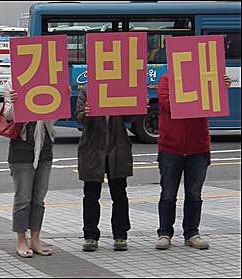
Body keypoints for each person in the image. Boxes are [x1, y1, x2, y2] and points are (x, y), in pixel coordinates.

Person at [155, 74, 232, 250]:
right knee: (168, 194)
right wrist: (199, 89)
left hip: (198, 148)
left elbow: (214, 105)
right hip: (171, 147)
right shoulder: (166, 80)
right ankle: (164, 233)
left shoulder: (207, 78)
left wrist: (219, 88)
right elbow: (170, 104)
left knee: (194, 194)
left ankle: (192, 233)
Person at [76, 85, 136, 252]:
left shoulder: (119, 88)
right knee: (90, 195)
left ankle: (120, 236)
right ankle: (90, 236)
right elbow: (79, 117)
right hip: (92, 150)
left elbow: (130, 118)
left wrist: (139, 106)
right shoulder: (87, 90)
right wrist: (86, 114)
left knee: (119, 195)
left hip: (117, 149)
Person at [4, 85, 55, 258]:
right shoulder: (12, 85)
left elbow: (55, 117)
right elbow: (8, 115)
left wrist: (60, 96)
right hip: (21, 150)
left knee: (39, 199)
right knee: (23, 198)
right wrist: (14, 100)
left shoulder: (49, 84)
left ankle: (35, 239)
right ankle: (21, 240)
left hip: (45, 148)